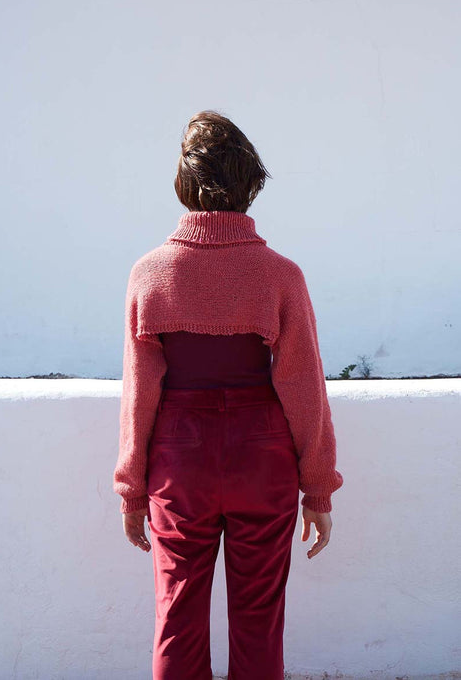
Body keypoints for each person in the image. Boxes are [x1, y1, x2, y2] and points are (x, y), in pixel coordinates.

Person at [113, 110, 344, 680]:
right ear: (249, 184)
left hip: (180, 458)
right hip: (262, 456)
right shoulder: (280, 275)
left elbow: (140, 391)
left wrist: (131, 488)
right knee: (259, 619)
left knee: (176, 617)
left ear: (184, 182)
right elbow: (303, 386)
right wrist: (318, 486)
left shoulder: (150, 273)